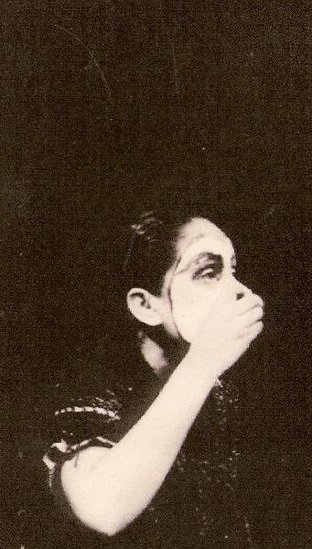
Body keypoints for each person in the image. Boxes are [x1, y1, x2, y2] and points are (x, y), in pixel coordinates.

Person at [43, 207, 265, 547]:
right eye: (209, 272)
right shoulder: (89, 389)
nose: (240, 291)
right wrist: (202, 363)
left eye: (232, 270)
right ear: (146, 306)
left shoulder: (225, 387)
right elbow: (103, 509)